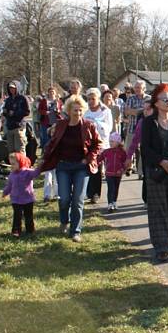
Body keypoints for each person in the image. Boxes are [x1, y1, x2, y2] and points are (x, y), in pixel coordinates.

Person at [127, 84, 168, 262]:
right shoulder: (148, 122)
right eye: (165, 99)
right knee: (157, 208)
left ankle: (166, 239)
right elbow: (145, 149)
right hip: (156, 171)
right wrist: (162, 162)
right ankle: (161, 246)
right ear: (156, 102)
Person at [38, 95, 101, 242]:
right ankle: (64, 221)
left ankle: (75, 231)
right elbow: (52, 143)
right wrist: (44, 158)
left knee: (78, 200)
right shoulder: (61, 125)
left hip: (81, 166)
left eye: (80, 110)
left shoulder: (89, 125)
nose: (78, 113)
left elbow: (97, 144)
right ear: (68, 110)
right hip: (63, 165)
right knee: (64, 198)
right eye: (75, 110)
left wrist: (88, 159)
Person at [84, 87, 113, 204]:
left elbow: (109, 127)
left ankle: (95, 193)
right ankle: (88, 191)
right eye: (89, 99)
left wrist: (96, 124)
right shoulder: (85, 110)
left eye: (93, 99)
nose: (91, 101)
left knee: (96, 168)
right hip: (87, 143)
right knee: (87, 167)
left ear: (98, 98)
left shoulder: (105, 110)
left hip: (100, 143)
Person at [1, 152, 41, 237]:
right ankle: (16, 230)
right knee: (17, 215)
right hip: (16, 200)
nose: (11, 166)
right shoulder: (12, 175)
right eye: (10, 164)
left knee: (28, 215)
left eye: (13, 164)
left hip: (28, 199)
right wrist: (5, 193)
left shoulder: (27, 172)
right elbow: (9, 186)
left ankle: (30, 229)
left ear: (21, 162)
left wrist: (40, 166)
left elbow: (36, 173)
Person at [124, 81, 149, 177]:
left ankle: (141, 172)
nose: (137, 89)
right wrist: (142, 110)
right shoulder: (131, 98)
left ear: (144, 89)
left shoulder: (149, 98)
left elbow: (150, 112)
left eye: (139, 87)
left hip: (145, 129)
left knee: (143, 151)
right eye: (136, 87)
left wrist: (135, 111)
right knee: (129, 150)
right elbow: (127, 111)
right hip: (132, 128)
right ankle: (128, 168)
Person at [99, 132, 127, 212]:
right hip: (109, 173)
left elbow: (125, 162)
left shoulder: (122, 152)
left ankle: (114, 202)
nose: (110, 143)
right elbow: (100, 158)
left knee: (116, 188)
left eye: (112, 141)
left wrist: (123, 169)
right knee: (110, 188)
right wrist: (95, 162)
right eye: (110, 141)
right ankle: (110, 204)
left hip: (118, 174)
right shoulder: (107, 151)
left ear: (118, 142)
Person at [3, 81, 30, 153]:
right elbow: (5, 111)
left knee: (20, 149)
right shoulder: (8, 99)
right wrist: (5, 112)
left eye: (13, 88)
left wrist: (15, 113)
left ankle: (22, 164)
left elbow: (27, 111)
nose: (11, 90)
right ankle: (14, 164)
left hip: (19, 126)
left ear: (17, 88)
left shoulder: (23, 98)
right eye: (10, 88)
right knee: (11, 150)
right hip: (9, 126)